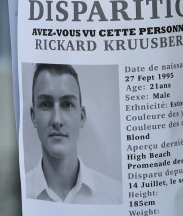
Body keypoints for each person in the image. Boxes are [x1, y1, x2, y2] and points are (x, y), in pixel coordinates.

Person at [25, 63, 122, 204]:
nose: (57, 120)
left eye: (67, 105)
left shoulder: (116, 196)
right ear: (33, 116)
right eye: (46, 104)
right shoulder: (20, 194)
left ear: (81, 116)